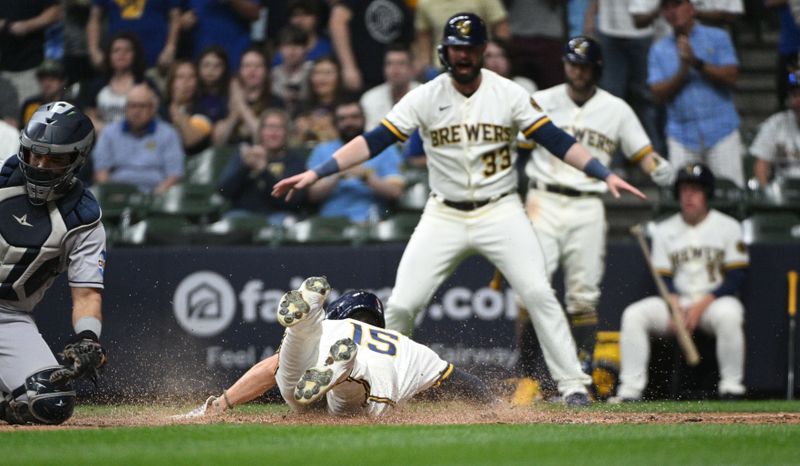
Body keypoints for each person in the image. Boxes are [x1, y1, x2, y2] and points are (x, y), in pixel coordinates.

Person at [273, 13, 647, 406]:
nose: (463, 55)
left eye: (470, 48)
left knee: (539, 293)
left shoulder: (509, 93)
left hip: (501, 210)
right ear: (444, 50)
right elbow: (376, 139)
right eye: (456, 47)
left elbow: (554, 138)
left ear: (483, 50)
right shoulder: (426, 94)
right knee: (401, 304)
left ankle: (573, 386)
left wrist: (603, 172)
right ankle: (381, 390)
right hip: (444, 213)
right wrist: (317, 171)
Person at [512, 36, 673, 403]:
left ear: (596, 68)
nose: (577, 71)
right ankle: (527, 377)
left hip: (587, 204)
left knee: (583, 296)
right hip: (544, 198)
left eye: (583, 65)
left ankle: (580, 375)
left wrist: (658, 167)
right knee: (530, 287)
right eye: (572, 63)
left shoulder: (615, 108)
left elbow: (642, 152)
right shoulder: (545, 99)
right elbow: (517, 150)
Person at [176, 281, 494, 418]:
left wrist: (222, 403)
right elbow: (467, 384)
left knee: (288, 370)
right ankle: (344, 368)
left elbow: (268, 371)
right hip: (374, 392)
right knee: (349, 399)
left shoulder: (332, 327)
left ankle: (305, 321)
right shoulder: (407, 346)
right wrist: (498, 409)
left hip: (319, 354)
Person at [0, 101, 108, 425]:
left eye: (55, 157)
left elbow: (87, 296)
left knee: (51, 402)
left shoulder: (84, 219)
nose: (41, 164)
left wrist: (88, 339)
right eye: (36, 153)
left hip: (8, 317)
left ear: (77, 159)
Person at [612, 163, 748, 402]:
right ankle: (630, 391)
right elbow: (663, 278)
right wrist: (675, 307)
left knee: (730, 313)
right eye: (684, 190)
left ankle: (731, 387)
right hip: (677, 301)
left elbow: (736, 275)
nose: (689, 195)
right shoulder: (665, 229)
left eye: (695, 190)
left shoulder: (729, 226)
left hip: (712, 301)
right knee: (634, 314)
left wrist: (700, 306)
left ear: (707, 193)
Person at [648, 0, 744, 186]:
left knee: (730, 195)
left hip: (721, 132)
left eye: (677, 5)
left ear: (692, 8)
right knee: (685, 198)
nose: (672, 12)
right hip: (681, 136)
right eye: (666, 8)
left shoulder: (718, 37)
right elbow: (657, 94)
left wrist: (696, 63)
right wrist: (683, 71)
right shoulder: (658, 49)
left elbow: (732, 76)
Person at [306, 100, 404, 223]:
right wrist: (336, 174)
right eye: (342, 119)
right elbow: (312, 195)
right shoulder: (322, 150)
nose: (349, 123)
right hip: (330, 223)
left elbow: (395, 192)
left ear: (364, 119)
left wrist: (366, 176)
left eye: (354, 117)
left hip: (372, 220)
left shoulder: (385, 148)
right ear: (335, 123)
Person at [217, 108, 308, 224]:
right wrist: (244, 167)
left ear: (286, 133)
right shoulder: (246, 156)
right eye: (269, 127)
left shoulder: (295, 160)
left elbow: (293, 200)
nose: (274, 132)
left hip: (279, 216)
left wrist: (264, 171)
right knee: (230, 222)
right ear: (260, 131)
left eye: (279, 128)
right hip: (243, 216)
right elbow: (223, 191)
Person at [93, 84, 185, 193]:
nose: (137, 111)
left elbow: (174, 174)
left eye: (142, 106)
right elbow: (101, 172)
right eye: (132, 106)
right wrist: (111, 193)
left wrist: (157, 194)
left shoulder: (168, 133)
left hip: (156, 193)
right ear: (126, 108)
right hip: (118, 193)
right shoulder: (109, 133)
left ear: (152, 109)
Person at [328, 0, 414, 92]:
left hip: (391, 79)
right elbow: (337, 22)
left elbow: (409, 40)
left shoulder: (401, 3)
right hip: (360, 76)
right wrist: (348, 67)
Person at [413, 0, 509, 78]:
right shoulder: (426, 2)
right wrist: (426, 64)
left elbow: (501, 28)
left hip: (481, 60)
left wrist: (496, 54)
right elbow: (424, 37)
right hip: (441, 64)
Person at [87, 0, 180, 71]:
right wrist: (93, 49)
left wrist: (170, 47)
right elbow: (94, 19)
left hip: (156, 60)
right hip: (118, 61)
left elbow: (175, 18)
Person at [0, 0, 62, 104]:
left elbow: (56, 12)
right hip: (3, 70)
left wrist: (26, 26)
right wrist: (5, 25)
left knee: (32, 114)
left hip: (32, 68)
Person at [749, 70, 800, 187]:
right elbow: (760, 165)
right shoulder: (776, 123)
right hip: (784, 196)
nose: (798, 101)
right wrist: (767, 193)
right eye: (795, 95)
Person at [360, 45, 420, 131]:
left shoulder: (424, 94)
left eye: (401, 63)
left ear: (411, 68)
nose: (395, 70)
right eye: (389, 64)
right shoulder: (369, 98)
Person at [160, 59, 214, 155]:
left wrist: (177, 108)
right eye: (180, 77)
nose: (186, 82)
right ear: (171, 82)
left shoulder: (203, 111)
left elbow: (190, 140)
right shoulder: (160, 110)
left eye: (191, 77)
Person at [19, 59, 71, 129]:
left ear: (62, 82)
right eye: (43, 79)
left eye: (52, 79)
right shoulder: (30, 104)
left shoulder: (70, 106)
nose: (47, 83)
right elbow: (23, 131)